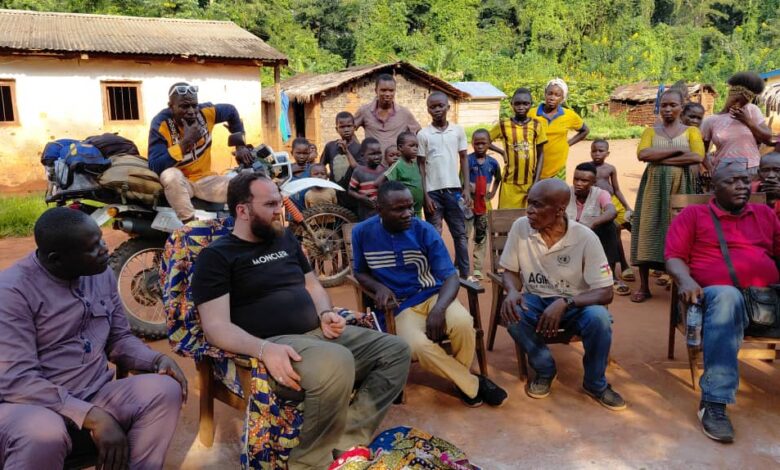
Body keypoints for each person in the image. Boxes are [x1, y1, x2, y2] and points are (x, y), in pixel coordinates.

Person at [191, 172, 411, 469]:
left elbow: (313, 286)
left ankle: (346, 439)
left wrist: (326, 313)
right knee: (337, 361)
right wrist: (264, 349)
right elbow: (215, 327)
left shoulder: (284, 238)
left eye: (278, 202)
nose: (279, 211)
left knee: (396, 350)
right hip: (277, 345)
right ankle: (307, 462)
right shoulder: (216, 257)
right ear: (242, 210)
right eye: (270, 204)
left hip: (318, 332)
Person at [0, 207, 187, 469]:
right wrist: (91, 416)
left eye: (101, 240)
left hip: (94, 392)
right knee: (43, 432)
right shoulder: (12, 292)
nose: (104, 249)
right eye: (93, 247)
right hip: (32, 405)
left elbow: (119, 338)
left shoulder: (101, 274)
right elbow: (17, 380)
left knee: (165, 390)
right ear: (56, 259)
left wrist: (155, 360)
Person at [352, 181, 507, 408]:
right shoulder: (362, 232)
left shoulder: (424, 230)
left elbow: (451, 276)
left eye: (410, 207)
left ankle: (462, 382)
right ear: (380, 209)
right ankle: (470, 383)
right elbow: (359, 272)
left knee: (464, 323)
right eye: (399, 209)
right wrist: (379, 287)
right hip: (399, 306)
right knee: (415, 346)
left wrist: (439, 309)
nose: (408, 213)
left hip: (432, 295)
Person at [665, 161, 780, 443]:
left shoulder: (764, 214)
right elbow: (674, 257)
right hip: (717, 301)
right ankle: (714, 403)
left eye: (745, 180)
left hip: (766, 300)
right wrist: (686, 280)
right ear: (713, 187)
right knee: (727, 296)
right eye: (732, 181)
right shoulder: (693, 215)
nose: (741, 186)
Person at [499, 179, 626, 411]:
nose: (529, 211)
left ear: (559, 210)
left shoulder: (585, 237)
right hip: (536, 300)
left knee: (600, 319)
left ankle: (595, 383)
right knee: (512, 312)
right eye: (529, 203)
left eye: (537, 205)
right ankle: (545, 369)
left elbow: (606, 292)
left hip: (576, 304)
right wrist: (512, 291)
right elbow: (510, 271)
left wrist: (566, 302)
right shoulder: (521, 227)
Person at [630, 89, 705, 303]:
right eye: (664, 105)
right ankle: (644, 286)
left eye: (673, 105)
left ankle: (680, 282)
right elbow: (642, 154)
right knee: (648, 229)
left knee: (681, 231)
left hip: (682, 186)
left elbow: (697, 156)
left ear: (682, 107)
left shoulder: (691, 132)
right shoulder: (650, 131)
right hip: (653, 187)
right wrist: (677, 152)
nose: (668, 109)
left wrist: (658, 159)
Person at [148, 82, 253, 222]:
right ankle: (191, 225)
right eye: (184, 106)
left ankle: (242, 227)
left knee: (248, 187)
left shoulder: (205, 112)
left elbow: (231, 111)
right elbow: (155, 165)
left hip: (207, 181)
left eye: (194, 105)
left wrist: (240, 146)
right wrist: (185, 143)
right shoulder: (161, 124)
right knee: (170, 175)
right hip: (182, 183)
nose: (191, 111)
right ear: (171, 107)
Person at [417, 91, 471, 279]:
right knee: (434, 235)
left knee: (460, 234)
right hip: (433, 194)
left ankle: (465, 274)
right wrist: (425, 195)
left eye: (440, 106)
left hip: (454, 191)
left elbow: (464, 158)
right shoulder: (423, 134)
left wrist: (466, 188)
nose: (437, 110)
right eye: (433, 107)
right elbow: (421, 166)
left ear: (448, 107)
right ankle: (436, 273)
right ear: (428, 110)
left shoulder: (457, 131)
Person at [568, 162, 629, 296]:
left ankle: (610, 276)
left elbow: (611, 211)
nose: (578, 183)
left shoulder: (601, 194)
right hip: (568, 238)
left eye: (584, 181)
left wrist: (592, 223)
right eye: (576, 179)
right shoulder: (565, 193)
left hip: (590, 238)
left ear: (594, 182)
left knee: (611, 226)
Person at [701, 72, 772, 178]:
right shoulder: (710, 120)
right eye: (736, 99)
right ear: (730, 94)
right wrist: (710, 168)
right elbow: (701, 151)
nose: (738, 104)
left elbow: (768, 138)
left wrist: (747, 121)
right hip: (724, 171)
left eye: (744, 102)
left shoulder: (752, 110)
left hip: (751, 169)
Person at [489, 88, 547, 208]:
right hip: (509, 182)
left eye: (525, 104)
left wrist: (536, 182)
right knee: (506, 216)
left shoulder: (536, 125)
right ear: (512, 104)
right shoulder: (503, 125)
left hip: (529, 182)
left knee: (528, 216)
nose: (521, 107)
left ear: (531, 104)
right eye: (517, 104)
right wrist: (501, 152)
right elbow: (484, 140)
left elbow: (541, 154)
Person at [591, 139, 634, 283]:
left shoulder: (610, 168)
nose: (597, 153)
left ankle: (649, 261)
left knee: (633, 226)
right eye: (594, 151)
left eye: (600, 151)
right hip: (598, 205)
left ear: (607, 153)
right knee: (612, 234)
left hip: (613, 202)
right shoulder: (587, 168)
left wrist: (627, 207)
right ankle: (619, 268)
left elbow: (617, 189)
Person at [529, 78, 589, 180]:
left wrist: (567, 144)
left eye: (557, 95)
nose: (552, 98)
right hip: (533, 167)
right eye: (550, 93)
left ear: (562, 98)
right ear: (545, 93)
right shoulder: (531, 113)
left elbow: (585, 130)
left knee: (557, 190)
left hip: (557, 168)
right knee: (533, 190)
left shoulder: (569, 115)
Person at [467, 129, 502, 281]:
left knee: (481, 236)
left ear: (489, 144)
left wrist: (493, 192)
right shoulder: (467, 160)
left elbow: (498, 178)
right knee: (464, 234)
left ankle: (478, 268)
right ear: (472, 144)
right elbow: (461, 180)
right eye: (477, 143)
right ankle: (461, 265)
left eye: (483, 143)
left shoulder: (492, 163)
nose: (480, 146)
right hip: (469, 204)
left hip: (484, 204)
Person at [354, 74, 421, 152]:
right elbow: (348, 128)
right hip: (372, 160)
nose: (387, 94)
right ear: (376, 91)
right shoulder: (365, 111)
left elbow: (419, 134)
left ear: (395, 91)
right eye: (383, 90)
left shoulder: (404, 113)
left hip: (396, 159)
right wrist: (358, 149)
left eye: (391, 91)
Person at [320, 111, 363, 215]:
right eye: (342, 127)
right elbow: (321, 166)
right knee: (336, 218)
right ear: (337, 129)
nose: (346, 129)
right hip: (334, 193)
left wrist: (346, 151)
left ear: (354, 127)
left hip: (352, 194)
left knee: (352, 219)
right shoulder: (330, 146)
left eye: (349, 126)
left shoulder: (359, 148)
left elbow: (360, 171)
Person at [376, 132, 424, 218]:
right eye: (411, 146)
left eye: (416, 146)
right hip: (405, 211)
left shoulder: (415, 164)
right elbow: (378, 182)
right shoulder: (398, 165)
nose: (415, 149)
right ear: (400, 147)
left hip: (418, 211)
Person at [348, 138, 384, 221]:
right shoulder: (359, 172)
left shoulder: (385, 170)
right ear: (362, 155)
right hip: (366, 211)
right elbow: (350, 190)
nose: (377, 157)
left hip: (383, 211)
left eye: (379, 153)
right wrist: (362, 198)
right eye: (372, 154)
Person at [755, 151, 780, 218]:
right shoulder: (751, 191)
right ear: (759, 173)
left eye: (777, 170)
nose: (771, 175)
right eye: (765, 170)